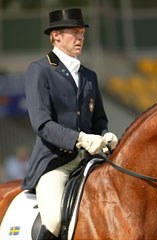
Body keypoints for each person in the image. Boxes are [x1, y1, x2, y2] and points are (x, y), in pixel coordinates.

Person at [22, 8, 118, 240]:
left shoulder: (89, 76)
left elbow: (98, 120)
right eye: (74, 33)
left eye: (82, 33)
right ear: (56, 36)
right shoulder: (40, 70)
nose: (80, 38)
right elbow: (42, 123)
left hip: (89, 161)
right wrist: (80, 139)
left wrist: (105, 135)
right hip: (56, 162)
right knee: (54, 219)